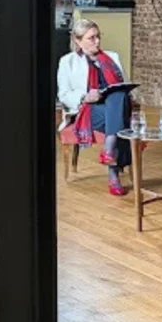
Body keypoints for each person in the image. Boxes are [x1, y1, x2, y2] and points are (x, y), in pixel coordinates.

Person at [57, 19, 133, 196]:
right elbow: (64, 95)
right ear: (78, 41)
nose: (97, 41)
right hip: (87, 111)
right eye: (91, 38)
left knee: (118, 95)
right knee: (118, 116)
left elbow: (123, 84)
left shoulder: (111, 57)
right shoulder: (68, 62)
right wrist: (85, 97)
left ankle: (109, 148)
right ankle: (113, 172)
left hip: (112, 108)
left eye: (98, 37)